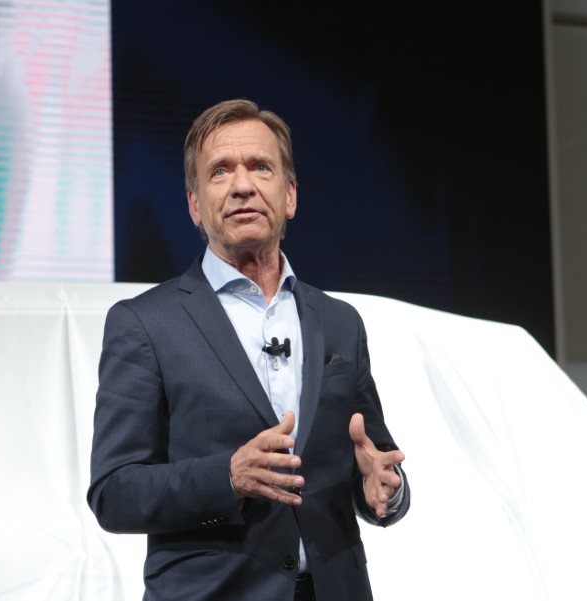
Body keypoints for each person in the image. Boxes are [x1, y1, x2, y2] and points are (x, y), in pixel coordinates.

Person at [87, 98, 411, 601]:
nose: (242, 185)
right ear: (195, 205)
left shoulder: (339, 321)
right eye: (220, 171)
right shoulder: (145, 324)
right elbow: (114, 492)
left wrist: (386, 491)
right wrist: (227, 476)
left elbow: (373, 460)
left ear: (290, 195)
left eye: (261, 167)